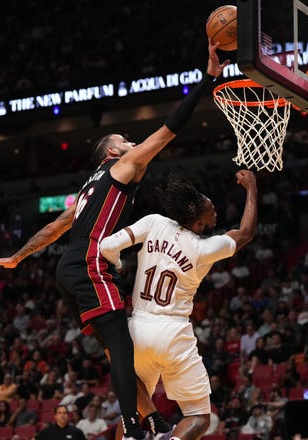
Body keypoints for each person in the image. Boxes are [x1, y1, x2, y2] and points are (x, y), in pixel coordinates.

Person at [0, 38, 229, 440]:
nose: (134, 144)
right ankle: (133, 428)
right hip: (88, 264)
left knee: (117, 350)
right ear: (112, 152)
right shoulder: (122, 165)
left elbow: (52, 230)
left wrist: (18, 257)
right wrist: (207, 79)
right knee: (123, 348)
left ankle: (153, 422)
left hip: (66, 268)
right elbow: (170, 131)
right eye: (127, 141)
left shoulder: (85, 191)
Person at [99, 168, 258, 440]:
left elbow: (107, 246)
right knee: (198, 416)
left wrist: (116, 266)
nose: (215, 210)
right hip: (173, 332)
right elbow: (245, 233)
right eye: (211, 209)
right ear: (198, 223)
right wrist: (252, 189)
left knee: (133, 413)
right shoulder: (204, 248)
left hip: (137, 328)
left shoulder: (153, 222)